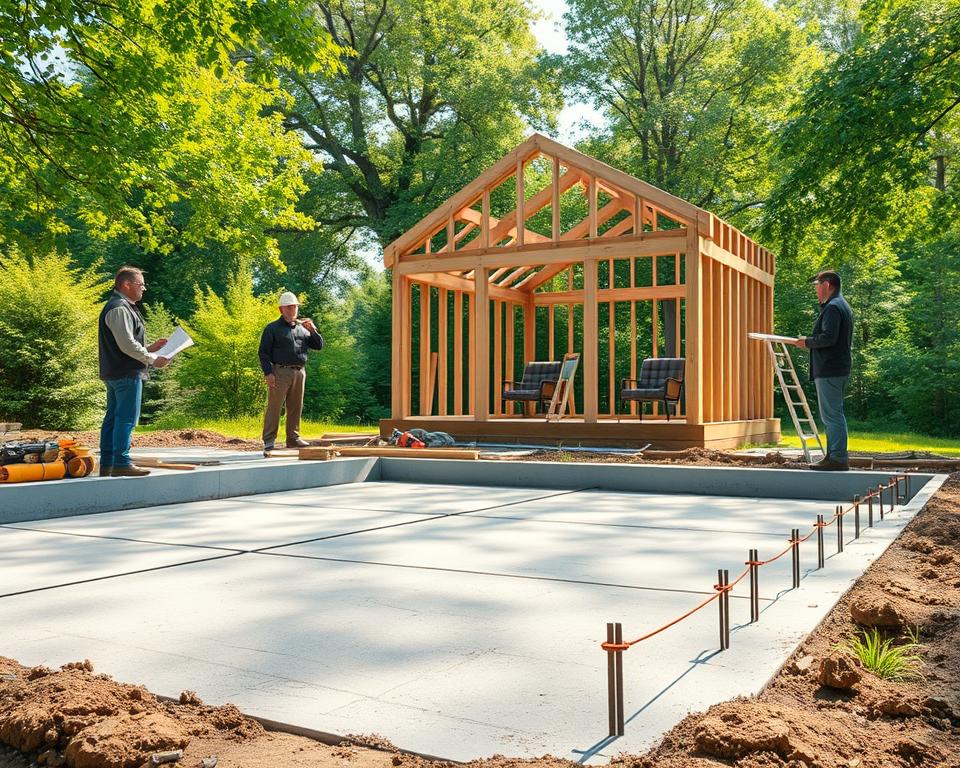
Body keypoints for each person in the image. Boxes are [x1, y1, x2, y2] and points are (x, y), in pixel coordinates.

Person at [98, 266, 169, 477]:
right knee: (125, 419)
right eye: (141, 284)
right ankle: (121, 462)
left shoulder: (120, 307)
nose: (144, 289)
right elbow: (127, 345)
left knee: (113, 417)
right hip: (126, 374)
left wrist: (150, 349)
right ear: (126, 285)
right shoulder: (119, 308)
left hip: (116, 371)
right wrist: (153, 359)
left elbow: (125, 344)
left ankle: (108, 463)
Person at [787, 270, 854, 471]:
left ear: (827, 285)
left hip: (830, 369)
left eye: (817, 285)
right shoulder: (840, 305)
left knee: (832, 415)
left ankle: (838, 458)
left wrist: (806, 342)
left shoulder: (833, 307)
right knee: (833, 414)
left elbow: (828, 338)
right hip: (836, 368)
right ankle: (834, 455)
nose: (815, 289)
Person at [258, 291, 324, 456]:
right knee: (274, 407)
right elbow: (263, 353)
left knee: (295, 407)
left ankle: (293, 438)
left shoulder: (303, 328)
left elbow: (318, 346)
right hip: (279, 372)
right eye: (288, 307)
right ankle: (269, 441)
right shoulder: (272, 328)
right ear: (281, 309)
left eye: (294, 307)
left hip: (299, 372)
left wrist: (313, 330)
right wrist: (268, 373)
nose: (292, 310)